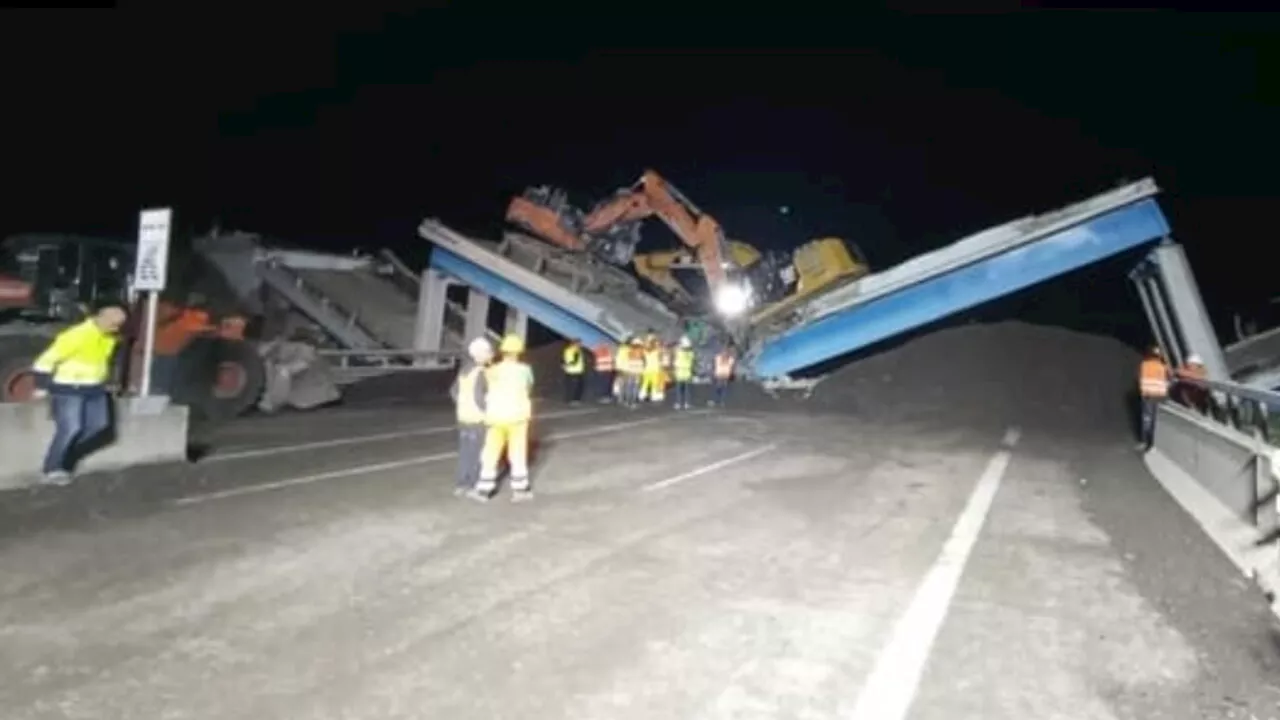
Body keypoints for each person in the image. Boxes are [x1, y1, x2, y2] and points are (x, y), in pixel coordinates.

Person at [30, 304, 128, 485]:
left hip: (94, 388)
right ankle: (52, 468)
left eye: (119, 325)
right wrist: (41, 386)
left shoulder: (109, 337)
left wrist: (109, 382)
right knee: (71, 428)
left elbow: (102, 361)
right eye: (113, 324)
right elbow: (45, 361)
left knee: (99, 425)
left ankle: (65, 455)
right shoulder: (77, 335)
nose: (116, 328)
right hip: (69, 388)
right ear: (101, 318)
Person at [470, 334, 536, 502]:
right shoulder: (525, 370)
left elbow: (485, 385)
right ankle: (520, 489)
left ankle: (484, 488)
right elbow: (529, 387)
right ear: (518, 352)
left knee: (491, 452)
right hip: (518, 417)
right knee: (518, 452)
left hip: (496, 416)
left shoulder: (493, 370)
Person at [449, 337, 492, 497]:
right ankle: (474, 484)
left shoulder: (464, 370)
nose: (490, 354)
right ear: (480, 354)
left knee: (465, 452)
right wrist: (486, 411)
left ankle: (462, 484)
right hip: (477, 419)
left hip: (463, 417)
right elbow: (479, 396)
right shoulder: (481, 372)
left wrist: (462, 404)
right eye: (487, 352)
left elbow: (453, 391)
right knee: (478, 453)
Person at [1137, 345, 1171, 451]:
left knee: (1147, 419)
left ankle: (1144, 442)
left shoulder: (1144, 365)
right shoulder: (1164, 367)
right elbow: (1170, 379)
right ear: (1160, 356)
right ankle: (1154, 443)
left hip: (1148, 396)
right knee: (1157, 421)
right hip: (1160, 397)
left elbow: (1140, 379)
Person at [672, 336, 696, 410]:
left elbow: (675, 353)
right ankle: (687, 403)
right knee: (687, 390)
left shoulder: (678, 352)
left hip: (679, 372)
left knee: (679, 390)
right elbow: (693, 361)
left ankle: (678, 403)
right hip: (687, 372)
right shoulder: (691, 353)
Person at [561, 338, 586, 405]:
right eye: (580, 343)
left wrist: (565, 365)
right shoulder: (576, 351)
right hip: (577, 371)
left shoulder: (567, 350)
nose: (581, 345)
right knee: (579, 386)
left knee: (569, 386)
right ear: (576, 343)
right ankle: (575, 400)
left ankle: (568, 399)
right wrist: (568, 364)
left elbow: (563, 359)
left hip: (568, 371)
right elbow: (575, 361)